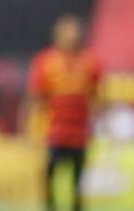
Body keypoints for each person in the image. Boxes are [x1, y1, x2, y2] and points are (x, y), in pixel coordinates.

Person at [28, 14, 102, 211]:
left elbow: (96, 98)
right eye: (67, 33)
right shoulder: (45, 62)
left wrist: (97, 127)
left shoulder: (90, 63)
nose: (72, 37)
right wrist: (32, 129)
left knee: (78, 183)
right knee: (48, 177)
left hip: (79, 134)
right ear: (58, 36)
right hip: (53, 133)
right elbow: (36, 98)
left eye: (75, 33)